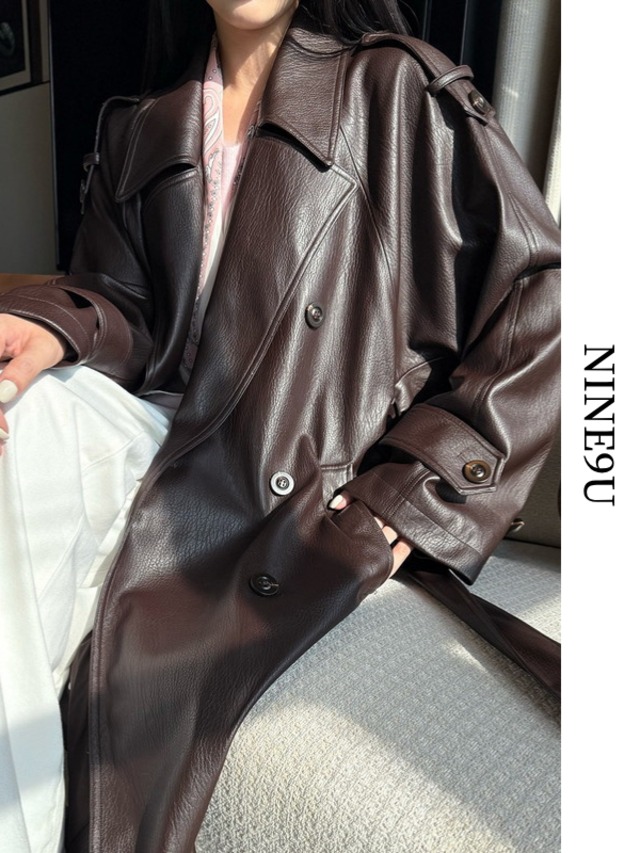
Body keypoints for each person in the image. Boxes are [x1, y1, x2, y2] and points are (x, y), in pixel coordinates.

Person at [0, 0, 561, 850]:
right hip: (158, 440)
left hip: (283, 468)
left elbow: (544, 295)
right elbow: (127, 303)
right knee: (21, 411)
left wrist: (418, 491)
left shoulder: (392, 88)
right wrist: (56, 325)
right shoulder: (143, 122)